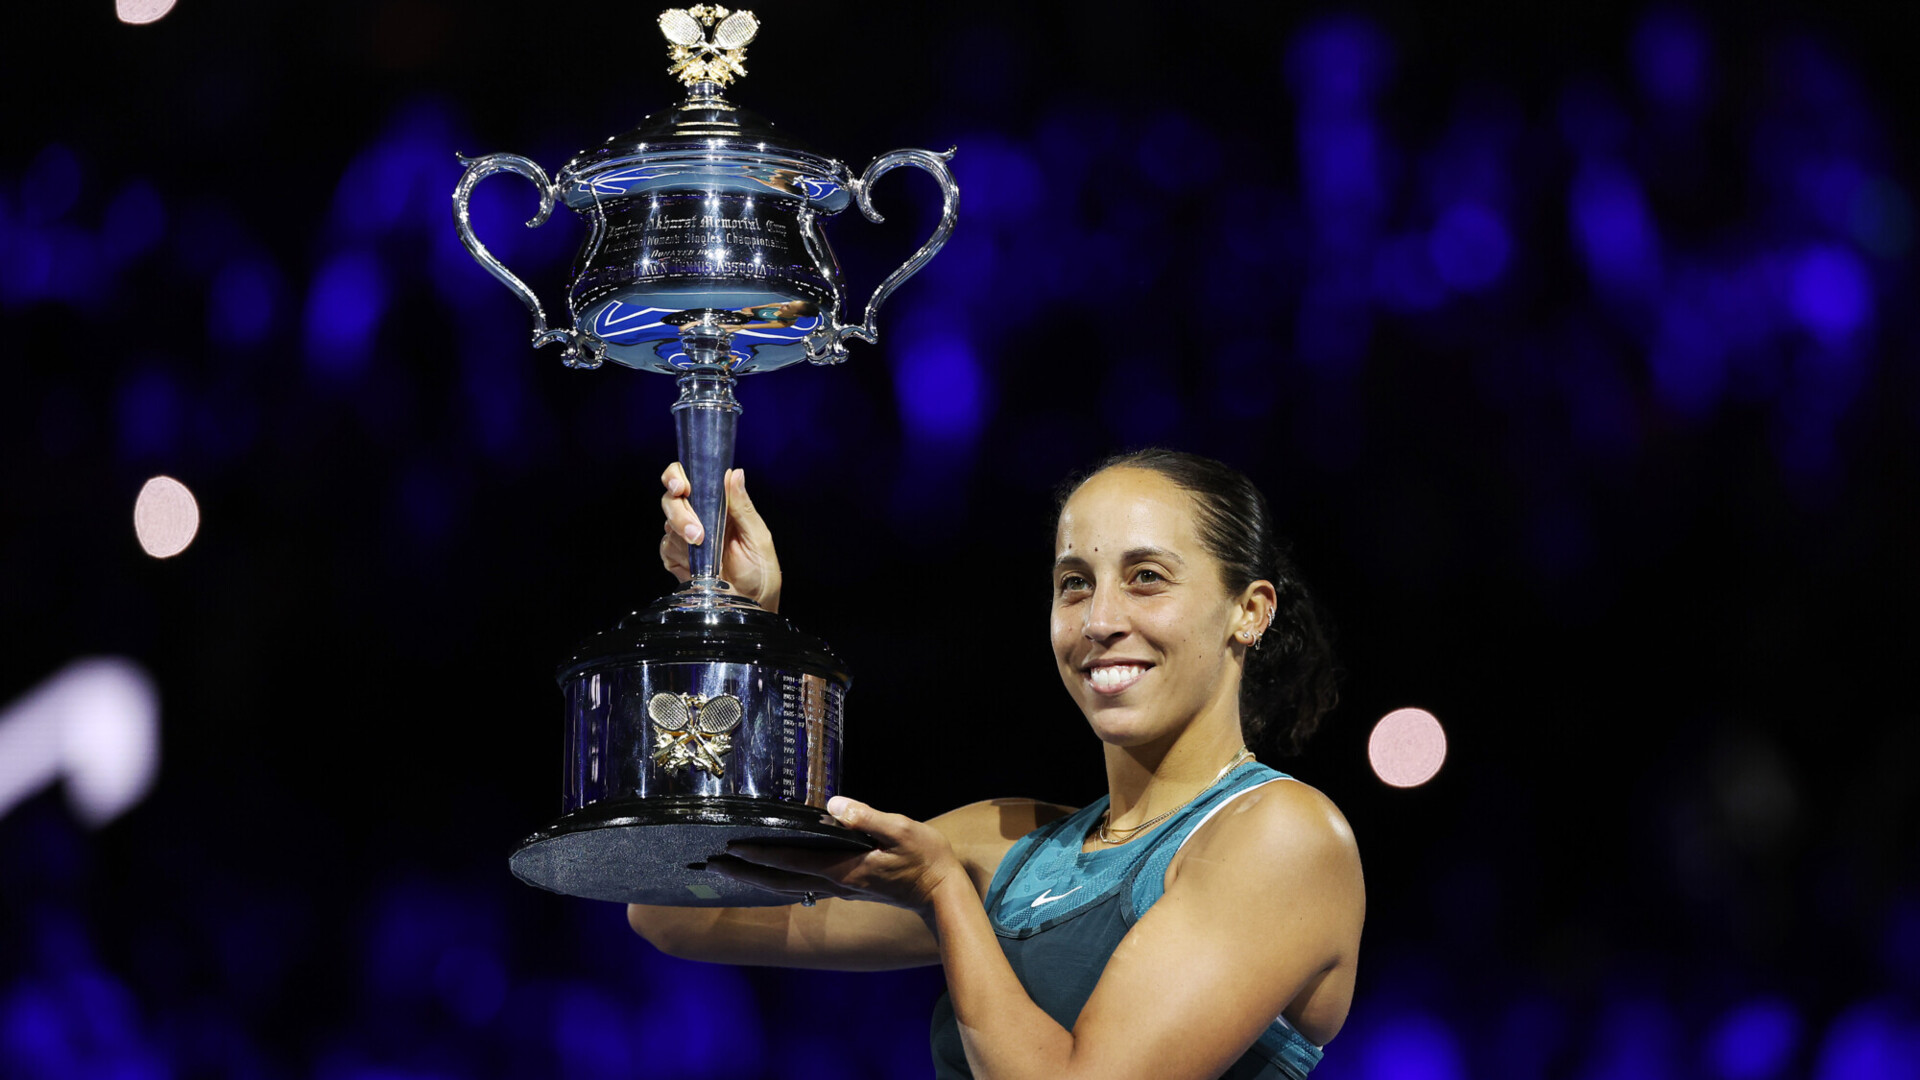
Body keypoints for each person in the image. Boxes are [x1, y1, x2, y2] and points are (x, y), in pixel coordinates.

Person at [629, 451, 1364, 1080]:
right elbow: (674, 907)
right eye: (1075, 583)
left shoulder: (1283, 836)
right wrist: (738, 635)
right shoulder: (1006, 845)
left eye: (1146, 576)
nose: (1100, 620)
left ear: (1249, 611)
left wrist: (942, 893)